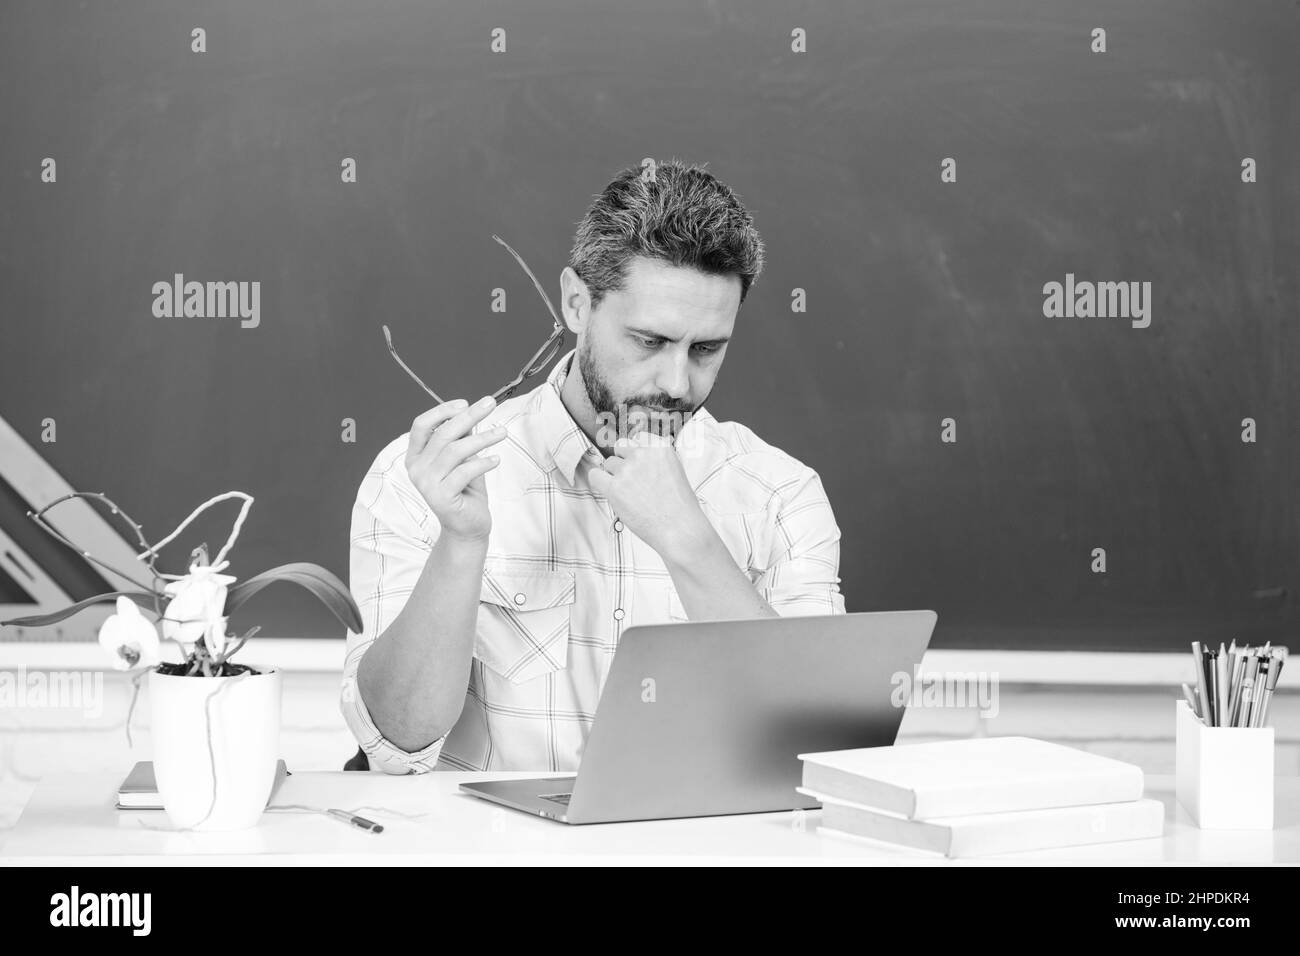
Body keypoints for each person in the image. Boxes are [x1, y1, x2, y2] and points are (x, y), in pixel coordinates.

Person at [342, 159, 845, 774]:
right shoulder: (429, 477)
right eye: (649, 341)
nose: (677, 383)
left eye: (706, 349)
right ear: (576, 303)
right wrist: (461, 541)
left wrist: (688, 541)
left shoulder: (779, 493)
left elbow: (815, 749)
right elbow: (395, 746)